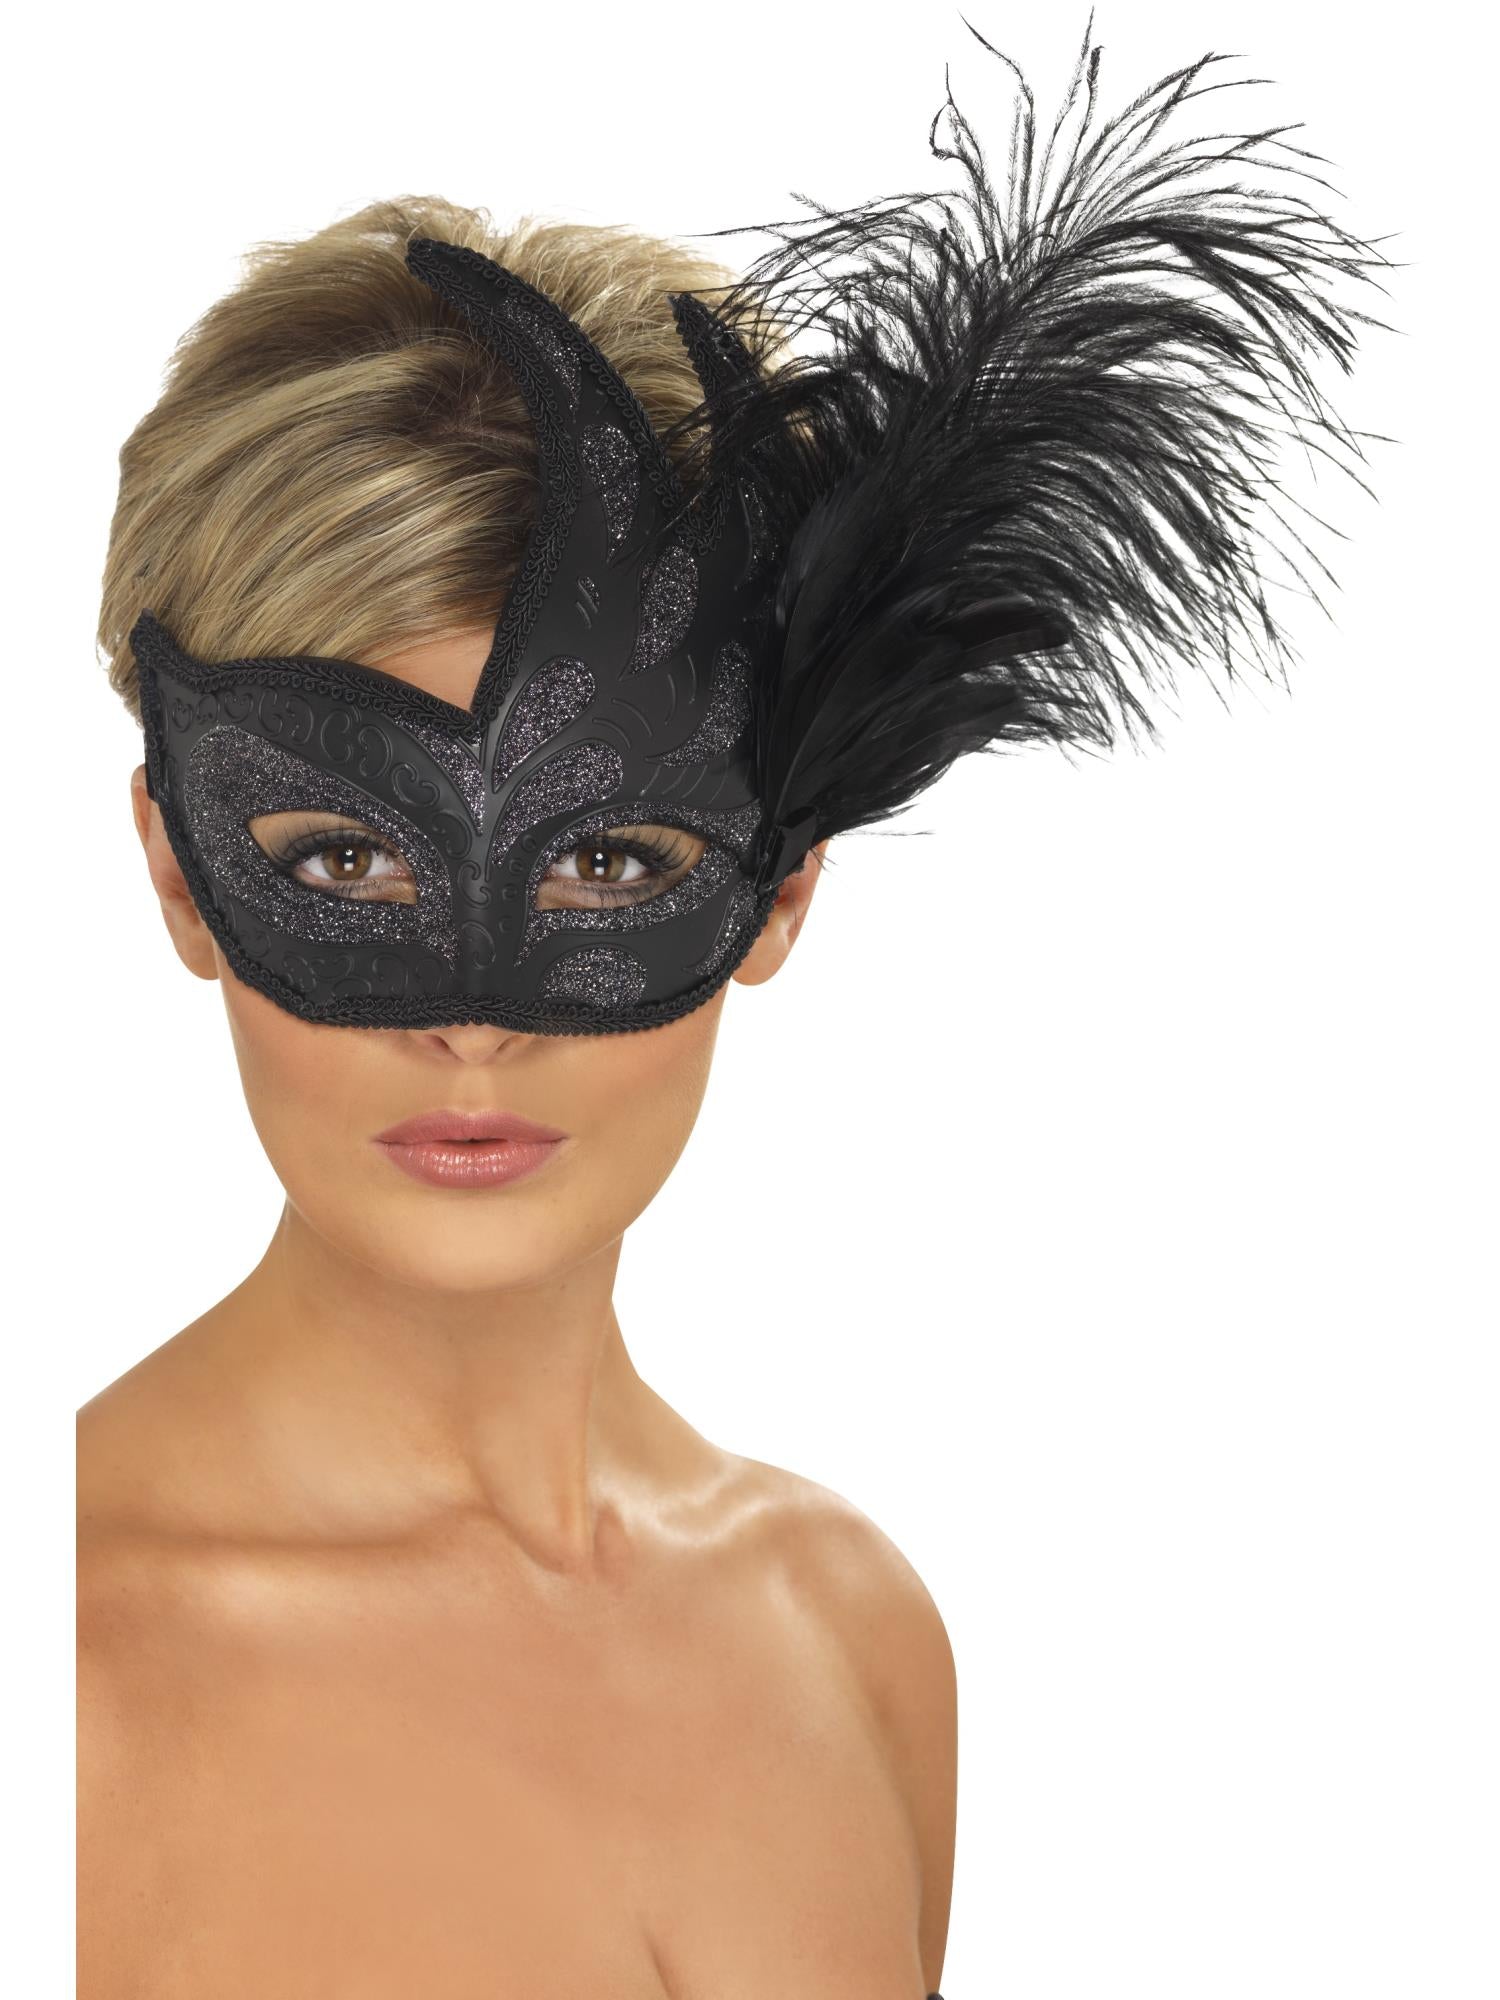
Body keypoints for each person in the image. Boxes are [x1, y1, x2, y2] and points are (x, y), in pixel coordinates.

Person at [76, 24, 1386, 1996]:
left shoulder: (851, 1631)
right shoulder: (63, 1678)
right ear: (180, 871)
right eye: (346, 860)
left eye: (610, 865)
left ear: (780, 887)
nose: (475, 1027)